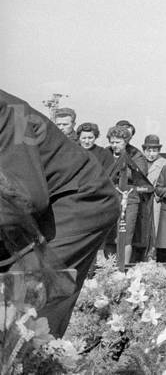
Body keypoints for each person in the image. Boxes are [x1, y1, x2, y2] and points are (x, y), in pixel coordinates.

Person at [0, 89, 118, 337]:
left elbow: (25, 196)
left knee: (26, 308)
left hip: (77, 200)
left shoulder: (9, 111)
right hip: (28, 208)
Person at [103, 124, 152, 265]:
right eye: (111, 142)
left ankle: (122, 267)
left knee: (125, 235)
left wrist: (119, 168)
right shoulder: (106, 153)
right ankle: (109, 268)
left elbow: (141, 173)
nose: (114, 145)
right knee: (110, 236)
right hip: (109, 199)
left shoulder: (136, 155)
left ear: (126, 141)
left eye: (117, 142)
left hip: (129, 198)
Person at [141, 134, 166, 259]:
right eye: (148, 150)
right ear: (144, 150)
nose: (151, 154)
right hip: (141, 200)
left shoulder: (165, 164)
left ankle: (154, 256)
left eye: (155, 150)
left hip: (155, 201)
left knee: (155, 231)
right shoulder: (139, 161)